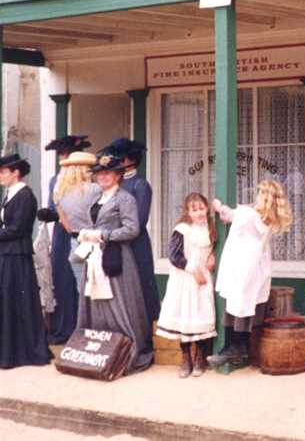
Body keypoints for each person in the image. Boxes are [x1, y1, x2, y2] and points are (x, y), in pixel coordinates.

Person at [208, 180, 293, 367]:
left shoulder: (248, 214)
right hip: (256, 264)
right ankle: (240, 345)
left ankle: (234, 347)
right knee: (245, 305)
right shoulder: (266, 219)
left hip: (242, 263)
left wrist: (218, 205)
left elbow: (228, 216)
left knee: (237, 303)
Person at [100, 138, 160, 330]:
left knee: (141, 287)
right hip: (117, 243)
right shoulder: (115, 185)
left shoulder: (140, 184)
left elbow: (139, 221)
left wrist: (115, 232)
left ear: (129, 160)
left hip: (135, 243)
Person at [156, 193, 217, 378]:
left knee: (200, 315)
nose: (199, 213)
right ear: (188, 212)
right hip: (185, 278)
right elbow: (175, 256)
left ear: (207, 208)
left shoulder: (211, 228)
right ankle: (185, 358)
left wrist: (213, 255)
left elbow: (214, 247)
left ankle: (200, 357)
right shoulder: (182, 229)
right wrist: (193, 270)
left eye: (201, 208)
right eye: (194, 209)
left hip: (203, 279)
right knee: (184, 316)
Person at [0, 154, 52, 369]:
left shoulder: (25, 196)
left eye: (3, 171)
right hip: (6, 253)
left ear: (16, 173)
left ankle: (24, 352)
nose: (1, 175)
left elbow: (17, 229)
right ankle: (9, 351)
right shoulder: (10, 194)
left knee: (17, 300)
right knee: (7, 300)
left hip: (17, 255)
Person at [38, 134, 91, 344]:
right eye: (61, 154)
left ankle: (81, 328)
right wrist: (49, 214)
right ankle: (61, 328)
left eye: (67, 153)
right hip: (61, 233)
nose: (63, 157)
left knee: (79, 281)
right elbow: (56, 209)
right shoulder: (55, 180)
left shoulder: (88, 180)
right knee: (61, 279)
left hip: (81, 233)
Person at [53, 152, 101, 290]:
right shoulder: (95, 189)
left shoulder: (59, 194)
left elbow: (67, 227)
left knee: (82, 291)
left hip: (75, 243)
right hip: (95, 243)